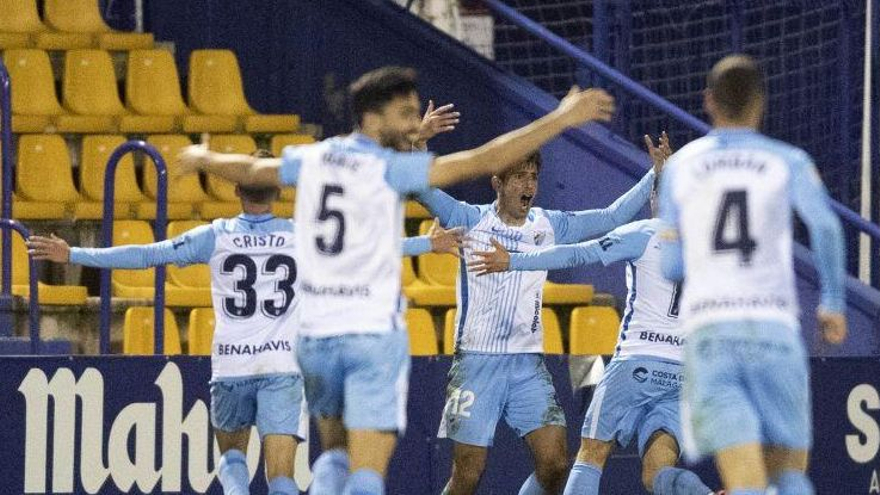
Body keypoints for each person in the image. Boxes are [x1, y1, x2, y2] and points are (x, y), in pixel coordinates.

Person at [175, 66, 616, 495]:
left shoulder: (312, 157)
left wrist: (201, 157)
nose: (411, 121)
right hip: (371, 335)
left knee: (334, 452)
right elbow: (484, 160)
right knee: (368, 469)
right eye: (403, 113)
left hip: (317, 335)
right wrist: (563, 117)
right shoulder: (388, 168)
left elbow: (252, 172)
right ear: (372, 115)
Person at [26, 159, 462, 495]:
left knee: (233, 460)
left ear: (236, 190)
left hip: (232, 366)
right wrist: (430, 243)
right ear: (277, 190)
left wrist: (75, 256)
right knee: (281, 477)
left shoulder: (215, 235)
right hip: (282, 367)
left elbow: (146, 255)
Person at [468, 133, 721, 495]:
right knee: (658, 470)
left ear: (658, 196)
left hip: (636, 365)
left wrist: (513, 260)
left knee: (592, 454)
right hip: (685, 375)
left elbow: (576, 254)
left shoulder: (645, 233)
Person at [412, 131, 660, 494]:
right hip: (475, 365)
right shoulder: (468, 219)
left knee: (556, 463)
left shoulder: (549, 224)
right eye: (519, 177)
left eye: (534, 177)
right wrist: (418, 147)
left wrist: (653, 172)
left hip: (527, 365)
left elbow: (611, 216)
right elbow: (420, 188)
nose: (529, 185)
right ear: (497, 182)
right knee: (467, 475)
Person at [658, 55, 847, 495]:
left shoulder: (682, 167)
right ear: (760, 103)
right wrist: (833, 304)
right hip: (773, 332)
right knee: (787, 475)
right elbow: (825, 226)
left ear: (708, 101)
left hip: (711, 335)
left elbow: (671, 266)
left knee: (744, 483)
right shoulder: (788, 160)